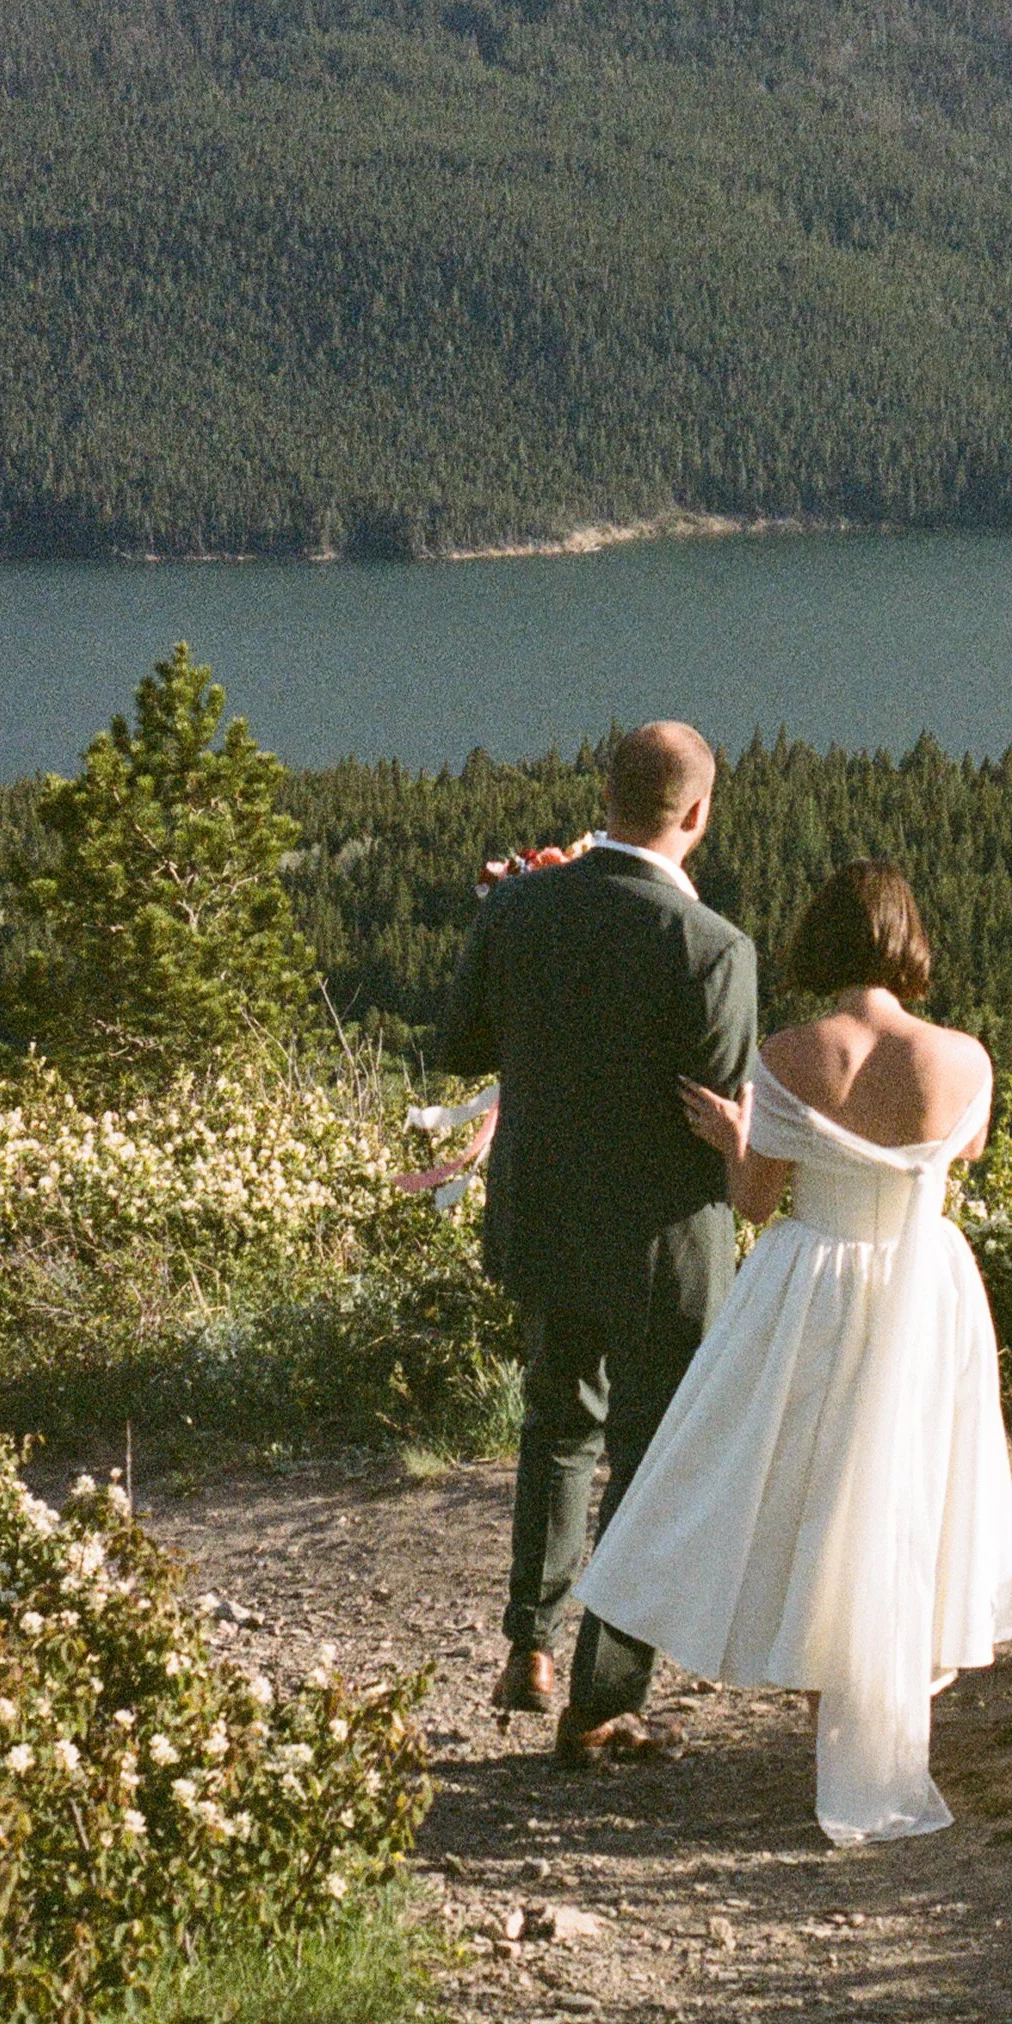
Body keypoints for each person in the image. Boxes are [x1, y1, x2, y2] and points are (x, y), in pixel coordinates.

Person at [577, 860, 1012, 1844]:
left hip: (810, 1278)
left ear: (822, 942)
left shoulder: (785, 1054)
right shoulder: (965, 1057)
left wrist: (740, 1136)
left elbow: (756, 1200)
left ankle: (829, 1686)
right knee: (905, 1485)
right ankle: (886, 1714)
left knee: (810, 1485)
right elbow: (960, 1157)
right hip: (922, 1278)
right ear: (908, 941)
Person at [434, 720, 759, 1765]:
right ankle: (602, 1699)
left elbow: (460, 1046)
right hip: (663, 1243)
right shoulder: (712, 949)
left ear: (604, 795)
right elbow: (722, 1108)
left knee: (556, 1421)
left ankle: (528, 1644)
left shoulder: (520, 907)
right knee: (651, 1459)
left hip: (543, 1215)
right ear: (698, 815)